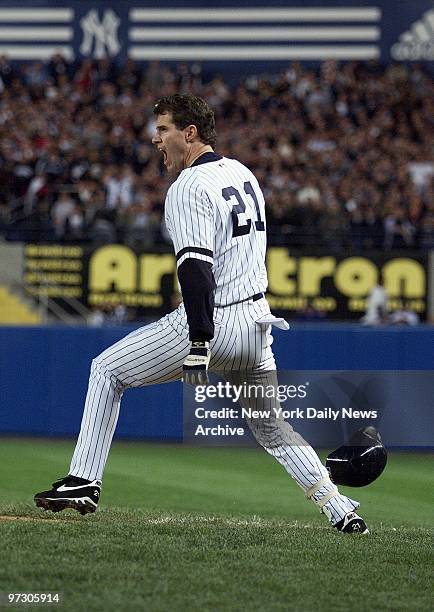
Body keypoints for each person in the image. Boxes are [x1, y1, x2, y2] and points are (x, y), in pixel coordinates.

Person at [34, 94, 368, 534]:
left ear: (190, 133)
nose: (155, 139)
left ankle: (83, 481)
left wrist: (198, 339)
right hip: (258, 324)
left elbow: (195, 266)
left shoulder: (188, 186)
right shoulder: (243, 173)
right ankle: (340, 508)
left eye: (163, 129)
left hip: (215, 323)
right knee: (272, 428)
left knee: (106, 371)